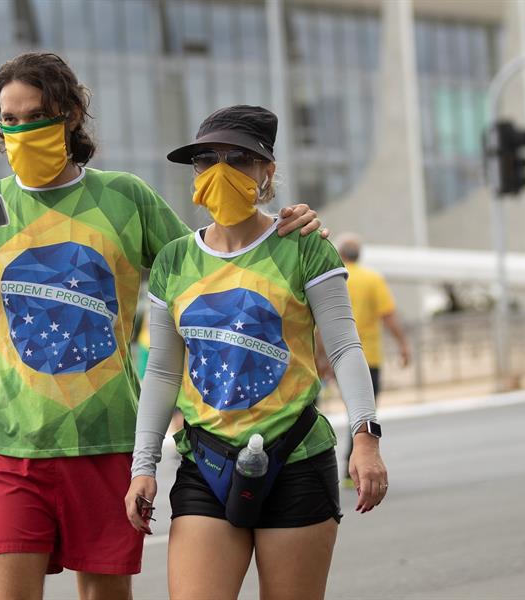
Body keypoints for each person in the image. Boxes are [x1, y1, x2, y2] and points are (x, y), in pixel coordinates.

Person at [0, 52, 324, 600]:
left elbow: (211, 271)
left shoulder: (126, 197)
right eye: (10, 120)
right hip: (11, 445)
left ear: (72, 114)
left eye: (36, 116)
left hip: (107, 445)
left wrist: (287, 230)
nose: (22, 130)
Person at [125, 105, 388, 600]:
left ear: (267, 171)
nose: (221, 171)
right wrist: (143, 468)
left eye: (239, 159)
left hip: (296, 461)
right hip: (205, 464)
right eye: (207, 160)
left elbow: (346, 346)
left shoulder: (304, 247)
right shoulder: (174, 260)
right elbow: (162, 372)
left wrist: (367, 437)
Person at [319, 233, 410, 488]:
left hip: (332, 357)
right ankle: (353, 466)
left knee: (320, 410)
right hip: (366, 356)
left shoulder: (329, 274)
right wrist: (403, 344)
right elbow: (388, 315)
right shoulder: (372, 279)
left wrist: (320, 357)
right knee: (362, 413)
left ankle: (321, 466)